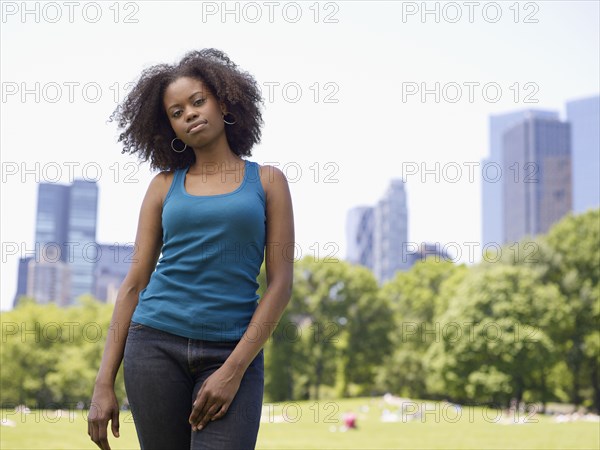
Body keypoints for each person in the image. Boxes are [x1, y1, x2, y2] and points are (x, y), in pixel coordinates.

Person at [87, 49, 295, 450]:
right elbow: (134, 284)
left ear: (224, 103)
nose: (190, 114)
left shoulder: (269, 181)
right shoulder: (163, 186)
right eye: (176, 111)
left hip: (232, 349)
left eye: (198, 101)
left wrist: (233, 370)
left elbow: (281, 284)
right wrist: (102, 384)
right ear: (170, 129)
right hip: (154, 345)